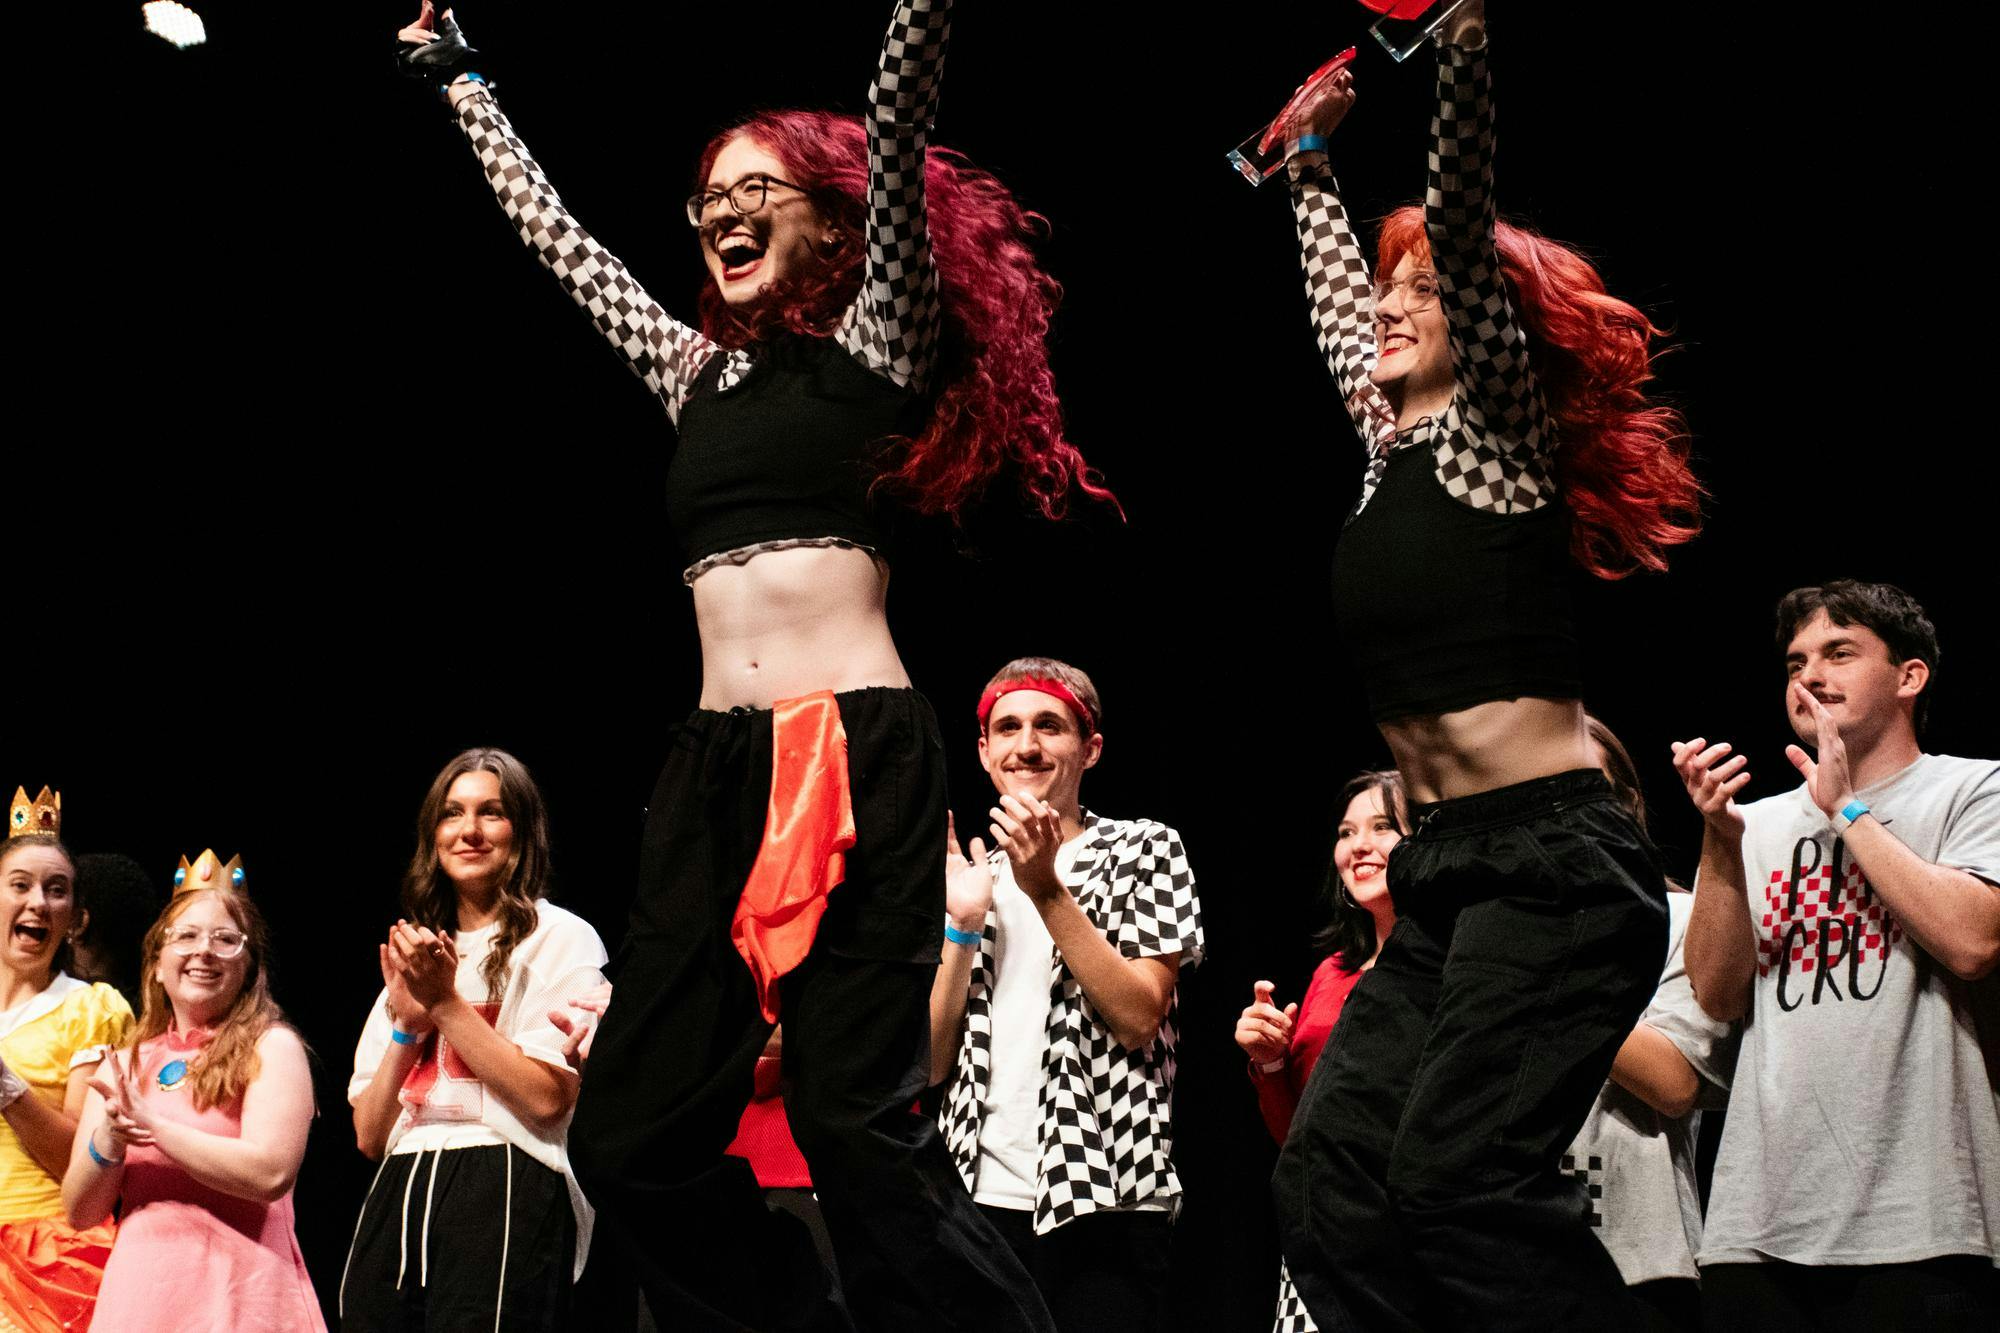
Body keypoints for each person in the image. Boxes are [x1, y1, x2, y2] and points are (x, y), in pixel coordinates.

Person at [393, 1, 1099, 1326]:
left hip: (858, 751)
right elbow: (559, 241)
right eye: (707, 198)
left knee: (854, 1131)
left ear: (829, 226)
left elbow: (895, 122)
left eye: (755, 190)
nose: (721, 212)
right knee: (626, 1144)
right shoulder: (690, 374)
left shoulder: (875, 342)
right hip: (716, 768)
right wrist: (464, 83)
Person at [1264, 1, 1701, 1327]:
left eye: (1427, 293)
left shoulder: (1492, 437)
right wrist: (1304, 167)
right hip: (1445, 867)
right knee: (1332, 1182)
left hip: (1557, 867)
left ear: (1496, 329)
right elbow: (1343, 291)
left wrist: (1456, 51)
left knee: (1459, 1183)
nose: (1396, 307)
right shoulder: (1392, 443)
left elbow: (1457, 216)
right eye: (1390, 295)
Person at [1674, 580, 2000, 1328]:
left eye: (1839, 652)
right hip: (1759, 1224)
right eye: (1795, 662)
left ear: (1910, 677)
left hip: (1921, 1219)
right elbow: (1718, 996)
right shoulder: (1749, 825)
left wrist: (1846, 810)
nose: (1809, 676)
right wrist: (1721, 844)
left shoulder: (1973, 787)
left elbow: (1973, 940)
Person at [930, 658, 1203, 1331]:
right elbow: (932, 1063)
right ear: (984, 752)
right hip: (976, 1194)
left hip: (1107, 1198)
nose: (1027, 744)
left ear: (1091, 747)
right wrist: (962, 924)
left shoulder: (1144, 848)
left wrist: (1044, 887)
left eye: (1049, 725)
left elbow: (1139, 1014)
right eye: (1008, 727)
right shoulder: (966, 872)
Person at [343, 747, 608, 1331]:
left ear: (522, 831)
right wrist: (406, 1030)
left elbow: (546, 1098)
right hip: (403, 1180)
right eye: (452, 814)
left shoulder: (560, 937)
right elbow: (369, 1133)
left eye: (490, 812)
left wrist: (444, 1003)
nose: (469, 831)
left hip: (504, 1174)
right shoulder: (417, 949)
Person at [63, 851, 323, 1330]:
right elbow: (80, 1211)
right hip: (141, 1299)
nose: (204, 950)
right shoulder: (123, 1064)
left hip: (242, 1296)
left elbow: (270, 1172)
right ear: (157, 964)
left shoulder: (273, 1047)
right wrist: (111, 1139)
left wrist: (153, 1126)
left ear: (247, 966)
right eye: (186, 936)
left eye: (225, 939)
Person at [1566, 718, 1736, 1333]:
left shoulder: (1684, 920)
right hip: (1497, 1259)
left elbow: (1673, 1082)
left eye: (1587, 788)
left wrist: (1549, 966)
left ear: (1628, 805)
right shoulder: (1482, 931)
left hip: (1636, 1260)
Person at [1234, 771, 1404, 1333]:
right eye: (1346, 831)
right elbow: (1296, 1139)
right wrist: (1271, 1061)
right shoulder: (1332, 974)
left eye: (1383, 827)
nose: (1359, 845)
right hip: (1324, 1233)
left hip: (1412, 1240)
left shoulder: (1456, 965)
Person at [0, 794, 133, 1333]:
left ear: (74, 919)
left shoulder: (90, 1009)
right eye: (20, 885)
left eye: (56, 890)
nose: (38, 902)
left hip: (43, 1255)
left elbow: (79, 1164)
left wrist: (6, 1085)